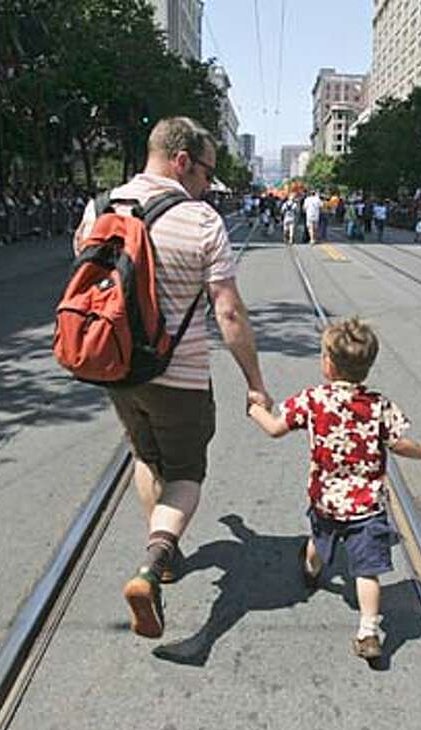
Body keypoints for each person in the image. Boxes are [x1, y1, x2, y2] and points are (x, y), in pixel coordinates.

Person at [73, 116, 270, 639]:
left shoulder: (96, 211)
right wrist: (254, 381)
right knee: (186, 474)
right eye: (206, 171)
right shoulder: (202, 222)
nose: (208, 183)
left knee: (145, 455)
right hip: (179, 376)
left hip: (116, 369)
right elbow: (228, 313)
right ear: (181, 161)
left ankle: (165, 556)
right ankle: (152, 562)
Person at [246, 317, 421, 660]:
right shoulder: (379, 405)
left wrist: (255, 410)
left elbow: (276, 428)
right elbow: (400, 444)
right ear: (367, 366)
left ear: (327, 364)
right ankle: (368, 630)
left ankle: (311, 569)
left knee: (317, 544)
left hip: (325, 501)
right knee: (367, 570)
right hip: (367, 506)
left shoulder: (313, 399)